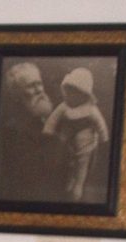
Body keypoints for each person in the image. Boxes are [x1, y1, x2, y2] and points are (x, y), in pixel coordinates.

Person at [0, 61, 65, 203]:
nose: (39, 90)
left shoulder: (50, 118)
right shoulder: (13, 129)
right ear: (16, 95)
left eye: (39, 83)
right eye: (31, 86)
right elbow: (34, 176)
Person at [42, 67, 110, 202]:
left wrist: (104, 137)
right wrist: (48, 130)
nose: (69, 96)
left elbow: (100, 123)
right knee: (65, 157)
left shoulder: (91, 109)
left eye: (73, 92)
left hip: (85, 141)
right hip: (66, 138)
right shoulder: (64, 106)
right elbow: (53, 119)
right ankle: (68, 180)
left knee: (81, 163)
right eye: (67, 92)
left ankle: (78, 185)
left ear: (83, 94)